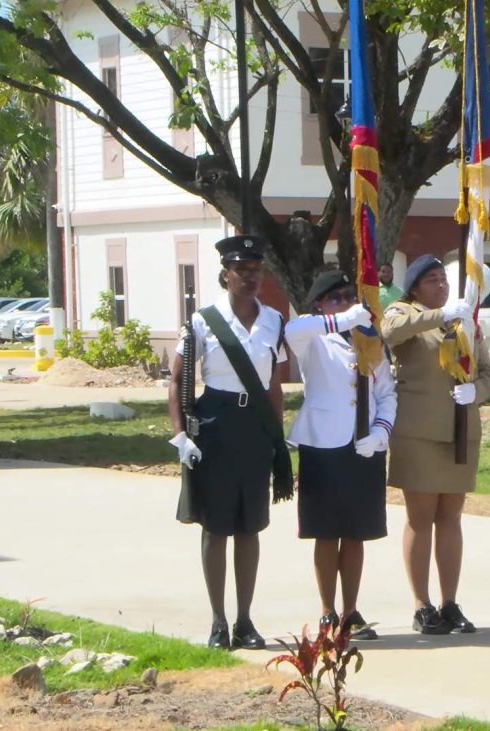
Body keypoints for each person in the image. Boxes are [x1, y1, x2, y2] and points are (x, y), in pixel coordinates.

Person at [167, 234, 292, 650]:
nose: (251, 277)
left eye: (257, 270)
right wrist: (180, 433)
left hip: (254, 426)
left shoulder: (274, 319)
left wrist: (278, 437)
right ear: (226, 274)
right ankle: (218, 620)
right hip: (216, 423)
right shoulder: (203, 320)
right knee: (216, 526)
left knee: (250, 526)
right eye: (243, 270)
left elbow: (274, 384)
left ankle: (245, 619)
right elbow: (176, 380)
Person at [380, 255, 490, 635]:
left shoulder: (463, 318)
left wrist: (476, 391)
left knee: (451, 518)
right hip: (419, 432)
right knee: (421, 517)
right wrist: (440, 314)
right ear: (415, 287)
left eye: (443, 280)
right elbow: (392, 332)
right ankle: (421, 604)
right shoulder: (405, 311)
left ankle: (449, 602)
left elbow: (488, 373)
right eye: (432, 281)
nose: (441, 286)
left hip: (460, 431)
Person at [286, 269, 396, 640]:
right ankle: (326, 611)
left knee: (355, 533)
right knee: (325, 533)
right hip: (323, 444)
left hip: (362, 444)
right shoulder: (313, 338)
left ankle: (351, 612)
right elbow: (293, 331)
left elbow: (387, 393)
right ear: (319, 304)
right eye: (337, 297)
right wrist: (340, 319)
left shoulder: (369, 340)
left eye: (351, 296)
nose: (347, 302)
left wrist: (381, 430)